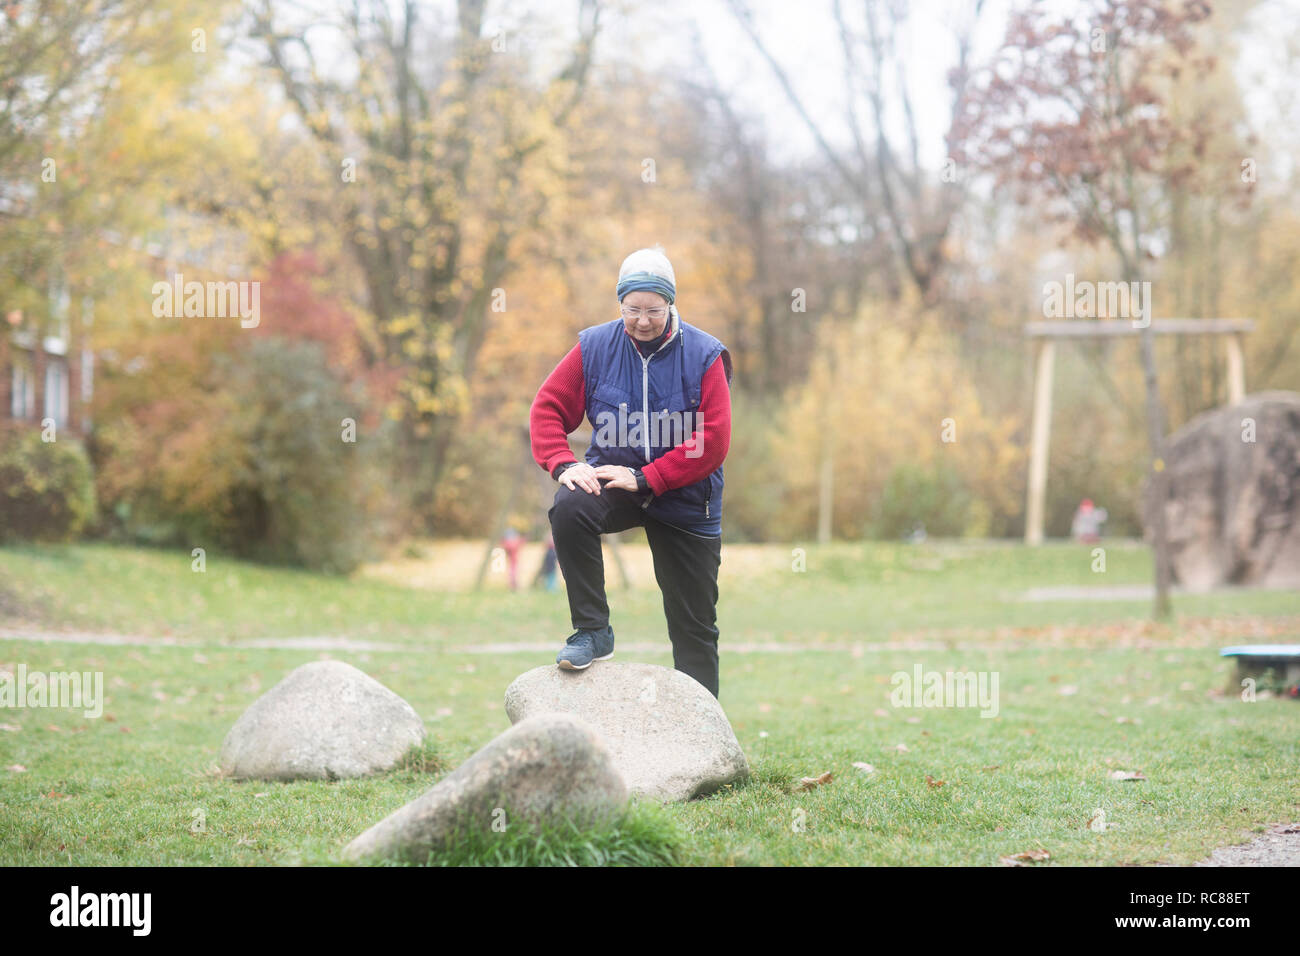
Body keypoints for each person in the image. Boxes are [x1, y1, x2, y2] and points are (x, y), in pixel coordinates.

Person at [528, 246, 733, 698]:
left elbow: (713, 439)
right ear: (620, 304)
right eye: (632, 309)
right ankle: (592, 631)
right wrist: (564, 464)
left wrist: (648, 477)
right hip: (613, 482)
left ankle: (702, 736)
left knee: (694, 627)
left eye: (654, 311)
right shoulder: (595, 346)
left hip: (685, 496)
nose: (642, 321)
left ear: (671, 304)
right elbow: (546, 409)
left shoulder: (704, 355)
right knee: (570, 507)